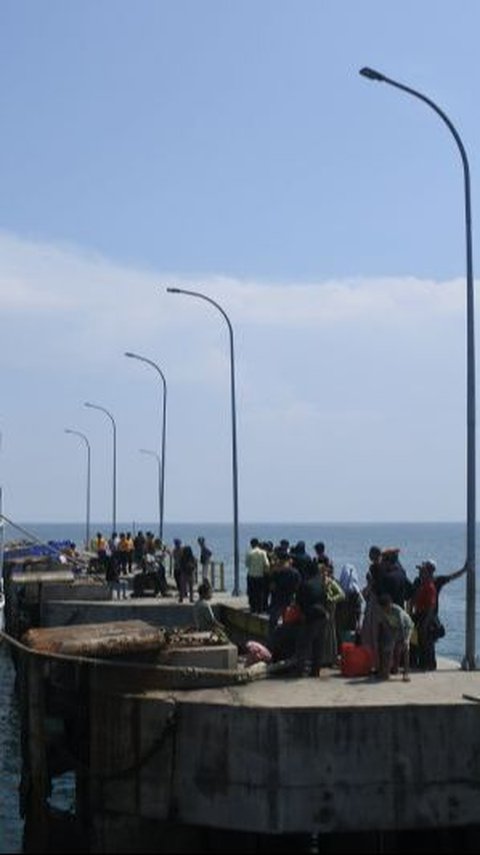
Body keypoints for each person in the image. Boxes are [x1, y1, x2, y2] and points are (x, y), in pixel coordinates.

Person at [295, 561, 329, 677]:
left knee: (304, 645)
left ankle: (300, 670)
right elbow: (325, 598)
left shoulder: (305, 584)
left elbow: (298, 601)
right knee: (318, 646)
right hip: (323, 616)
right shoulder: (321, 583)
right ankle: (316, 671)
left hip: (310, 617)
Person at [377, 593, 413, 681]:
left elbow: (402, 626)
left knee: (405, 648)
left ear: (390, 604)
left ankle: (406, 673)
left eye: (386, 607)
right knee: (388, 648)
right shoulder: (382, 611)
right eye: (383, 608)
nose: (385, 610)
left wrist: (405, 639)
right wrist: (391, 638)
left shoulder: (397, 611)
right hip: (394, 627)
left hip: (406, 627)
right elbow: (386, 625)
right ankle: (387, 671)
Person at [336, 563, 364, 648]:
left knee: (342, 640)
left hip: (341, 621)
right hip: (352, 621)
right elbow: (359, 608)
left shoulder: (339, 588)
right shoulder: (356, 591)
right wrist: (359, 622)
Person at [245, 538, 270, 614]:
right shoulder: (263, 552)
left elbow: (247, 564)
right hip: (260, 576)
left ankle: (253, 608)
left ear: (251, 544)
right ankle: (260, 609)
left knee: (252, 592)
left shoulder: (249, 552)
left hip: (251, 575)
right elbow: (267, 564)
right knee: (260, 593)